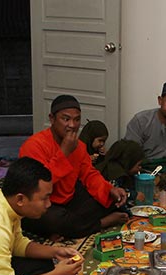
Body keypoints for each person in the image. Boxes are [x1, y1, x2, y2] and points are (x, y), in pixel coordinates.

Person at [19, 95, 128, 239]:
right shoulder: (34, 145)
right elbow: (36, 185)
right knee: (54, 219)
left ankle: (68, 229)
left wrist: (110, 189)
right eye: (66, 119)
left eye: (77, 119)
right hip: (40, 202)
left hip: (69, 200)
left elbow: (89, 174)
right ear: (52, 119)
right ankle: (101, 223)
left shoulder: (79, 146)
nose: (72, 125)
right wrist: (64, 152)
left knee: (110, 201)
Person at [95, 139, 145, 206]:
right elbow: (116, 195)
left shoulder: (110, 166)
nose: (140, 168)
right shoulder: (114, 173)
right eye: (138, 165)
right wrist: (134, 195)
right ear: (129, 162)